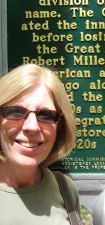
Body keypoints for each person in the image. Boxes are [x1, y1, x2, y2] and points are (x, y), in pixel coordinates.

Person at [0, 64, 81, 225]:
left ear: (59, 126)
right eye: (16, 112)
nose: (32, 127)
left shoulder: (65, 189)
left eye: (45, 115)